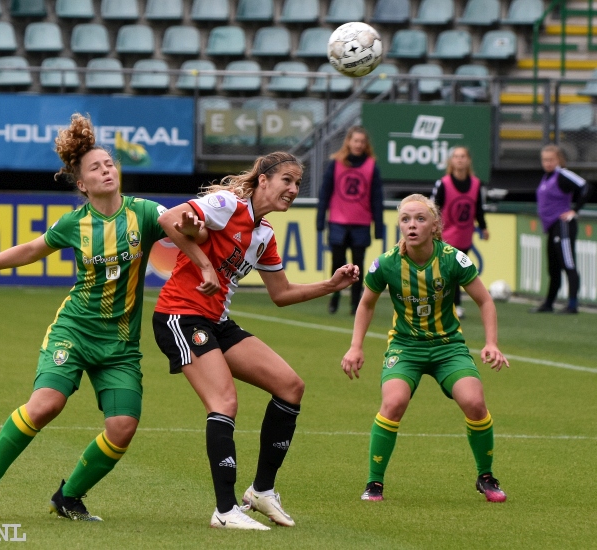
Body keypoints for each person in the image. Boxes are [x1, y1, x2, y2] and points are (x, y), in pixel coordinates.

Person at [0, 113, 168, 522]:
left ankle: (68, 497)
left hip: (119, 345)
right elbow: (32, 250)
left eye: (109, 164)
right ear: (82, 184)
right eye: (96, 168)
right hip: (74, 331)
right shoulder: (75, 223)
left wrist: (199, 225)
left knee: (122, 427)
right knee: (45, 405)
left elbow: (183, 225)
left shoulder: (146, 213)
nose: (107, 170)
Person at [152, 152, 359, 530]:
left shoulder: (264, 234)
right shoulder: (227, 204)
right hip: (179, 315)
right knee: (224, 401)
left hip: (217, 321)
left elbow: (280, 293)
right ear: (263, 180)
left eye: (298, 183)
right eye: (287, 180)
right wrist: (203, 264)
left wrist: (330, 285)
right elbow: (167, 218)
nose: (294, 189)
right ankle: (225, 510)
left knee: (290, 386)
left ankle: (261, 491)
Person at [341, 194, 510, 504]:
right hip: (406, 348)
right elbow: (366, 304)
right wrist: (355, 347)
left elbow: (485, 300)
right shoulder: (387, 263)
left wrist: (491, 343)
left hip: (448, 348)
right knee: (393, 404)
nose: (412, 225)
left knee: (474, 402)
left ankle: (486, 476)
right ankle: (374, 484)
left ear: (435, 225)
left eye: (420, 219)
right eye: (405, 219)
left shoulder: (453, 259)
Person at [316, 125, 385, 315]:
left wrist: (379, 227)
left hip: (361, 223)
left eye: (362, 142)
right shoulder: (336, 164)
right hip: (338, 221)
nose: (358, 145)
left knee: (358, 265)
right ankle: (335, 297)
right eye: (355, 141)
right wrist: (320, 219)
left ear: (365, 144)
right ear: (349, 142)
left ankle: (356, 304)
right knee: (337, 262)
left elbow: (377, 199)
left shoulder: (372, 166)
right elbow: (325, 193)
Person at [431, 146, 489, 319]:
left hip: (465, 234)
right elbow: (434, 208)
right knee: (447, 271)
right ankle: (449, 304)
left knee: (457, 273)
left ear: (468, 160)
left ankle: (455, 304)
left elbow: (478, 208)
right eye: (456, 156)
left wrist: (484, 227)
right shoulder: (443, 183)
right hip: (446, 235)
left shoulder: (476, 184)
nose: (460, 159)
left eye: (463, 156)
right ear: (451, 161)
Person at [530, 144, 588, 314]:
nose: (547, 163)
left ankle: (572, 304)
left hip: (562, 225)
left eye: (551, 160)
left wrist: (574, 210)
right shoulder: (546, 178)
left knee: (568, 263)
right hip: (551, 227)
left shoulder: (562, 175)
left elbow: (585, 187)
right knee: (553, 267)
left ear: (559, 160)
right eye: (545, 160)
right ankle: (549, 303)